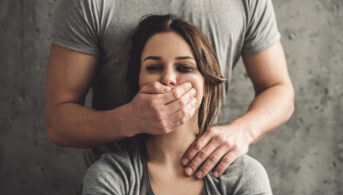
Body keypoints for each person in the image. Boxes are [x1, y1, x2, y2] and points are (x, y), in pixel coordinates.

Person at [45, 0, 294, 178]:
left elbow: (278, 88)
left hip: (207, 175)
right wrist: (130, 120)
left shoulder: (249, 2)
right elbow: (59, 122)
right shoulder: (89, 3)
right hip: (119, 187)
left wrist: (243, 131)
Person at [82, 14, 273, 195]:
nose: (169, 78)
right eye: (154, 67)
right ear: (138, 80)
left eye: (185, 67)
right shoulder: (109, 176)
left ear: (206, 84)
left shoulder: (245, 176)